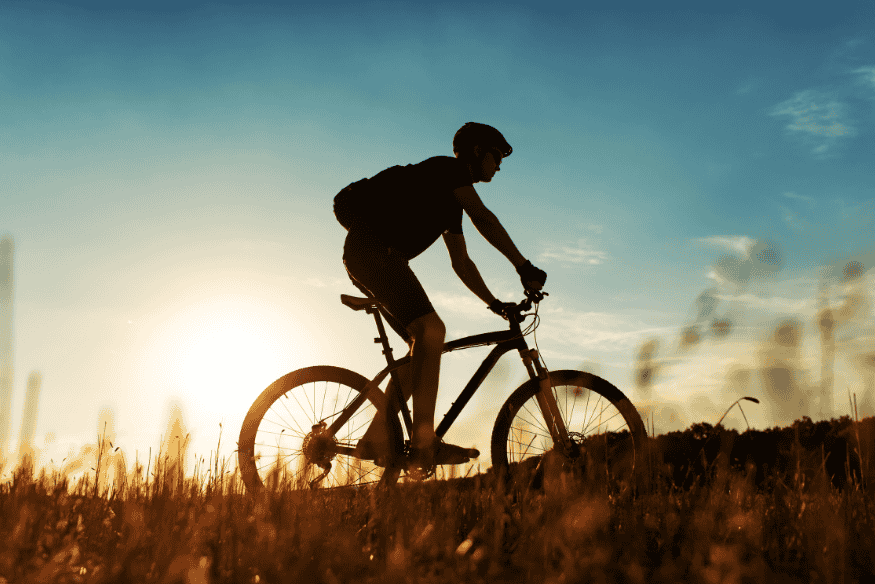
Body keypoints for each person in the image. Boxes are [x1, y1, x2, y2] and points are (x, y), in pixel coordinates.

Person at [334, 122, 547, 469]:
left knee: (421, 345)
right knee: (432, 331)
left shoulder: (451, 204)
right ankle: (424, 442)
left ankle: (376, 439)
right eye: (497, 155)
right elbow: (485, 218)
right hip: (375, 254)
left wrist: (494, 304)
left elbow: (461, 262)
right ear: (477, 151)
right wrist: (523, 266)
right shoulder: (446, 170)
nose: (500, 165)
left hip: (373, 257)